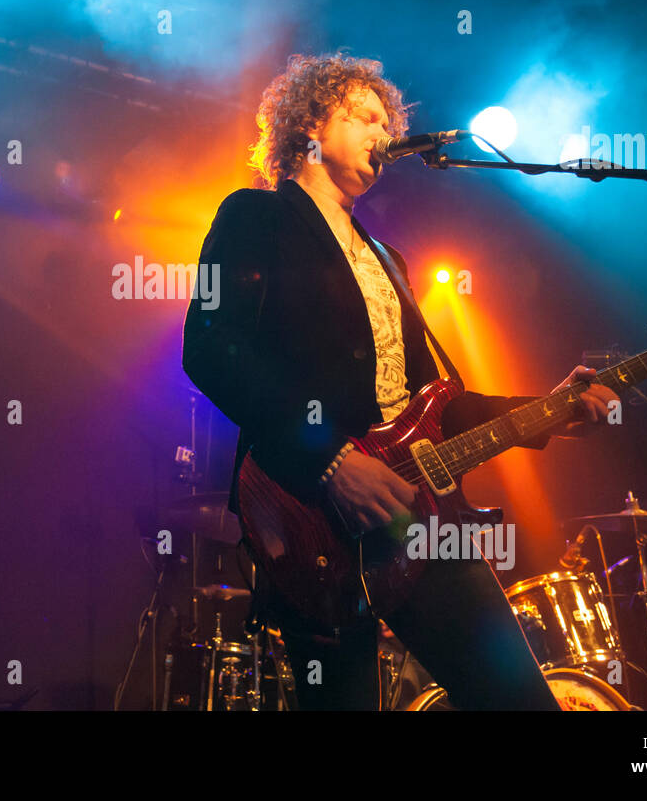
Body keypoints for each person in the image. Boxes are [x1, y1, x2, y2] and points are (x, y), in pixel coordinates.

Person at [181, 53, 617, 710]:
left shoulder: (390, 259)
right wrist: (331, 461)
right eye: (364, 118)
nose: (383, 134)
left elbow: (434, 407)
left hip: (417, 521)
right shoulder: (253, 218)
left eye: (388, 122)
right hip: (307, 517)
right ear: (309, 129)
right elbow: (211, 349)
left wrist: (553, 408)